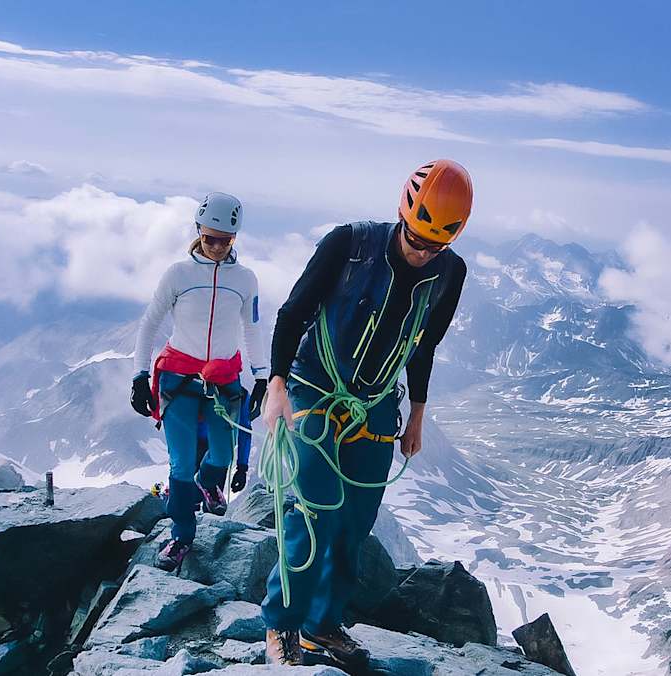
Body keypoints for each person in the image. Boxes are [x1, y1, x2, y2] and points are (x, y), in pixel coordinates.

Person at [259, 160, 471, 667]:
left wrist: (417, 414)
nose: (422, 254)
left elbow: (423, 347)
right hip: (313, 385)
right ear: (402, 214)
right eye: (416, 240)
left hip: (376, 402)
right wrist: (277, 384)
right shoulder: (349, 244)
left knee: (357, 519)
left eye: (434, 247)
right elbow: (294, 313)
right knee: (315, 510)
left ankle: (322, 625)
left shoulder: (449, 273)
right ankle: (281, 625)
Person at [131, 192, 269, 571]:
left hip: (224, 380)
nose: (217, 247)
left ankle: (207, 482)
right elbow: (150, 324)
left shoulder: (245, 279)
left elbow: (252, 328)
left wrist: (261, 376)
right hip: (179, 379)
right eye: (210, 239)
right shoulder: (178, 275)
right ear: (198, 232)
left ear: (235, 239)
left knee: (221, 457)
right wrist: (140, 375)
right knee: (178, 466)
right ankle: (181, 537)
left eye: (225, 241)